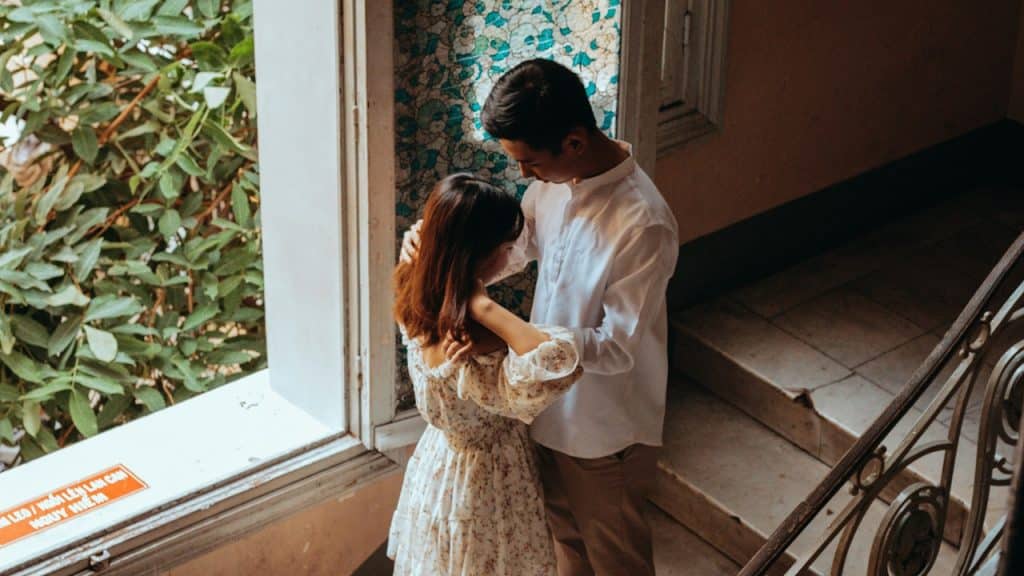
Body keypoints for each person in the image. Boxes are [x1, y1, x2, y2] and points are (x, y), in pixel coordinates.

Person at [402, 58, 679, 576]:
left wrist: (518, 342)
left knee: (616, 559)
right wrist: (438, 254)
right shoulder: (552, 183)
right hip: (537, 408)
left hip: (603, 428)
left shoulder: (644, 223)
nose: (522, 174)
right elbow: (512, 251)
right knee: (565, 548)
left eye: (528, 162)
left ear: (573, 142)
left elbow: (617, 346)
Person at [388, 173, 583, 576]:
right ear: (480, 254)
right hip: (489, 481)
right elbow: (560, 359)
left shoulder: (415, 293)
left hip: (439, 468)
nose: (512, 255)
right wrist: (482, 306)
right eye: (507, 247)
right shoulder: (476, 341)